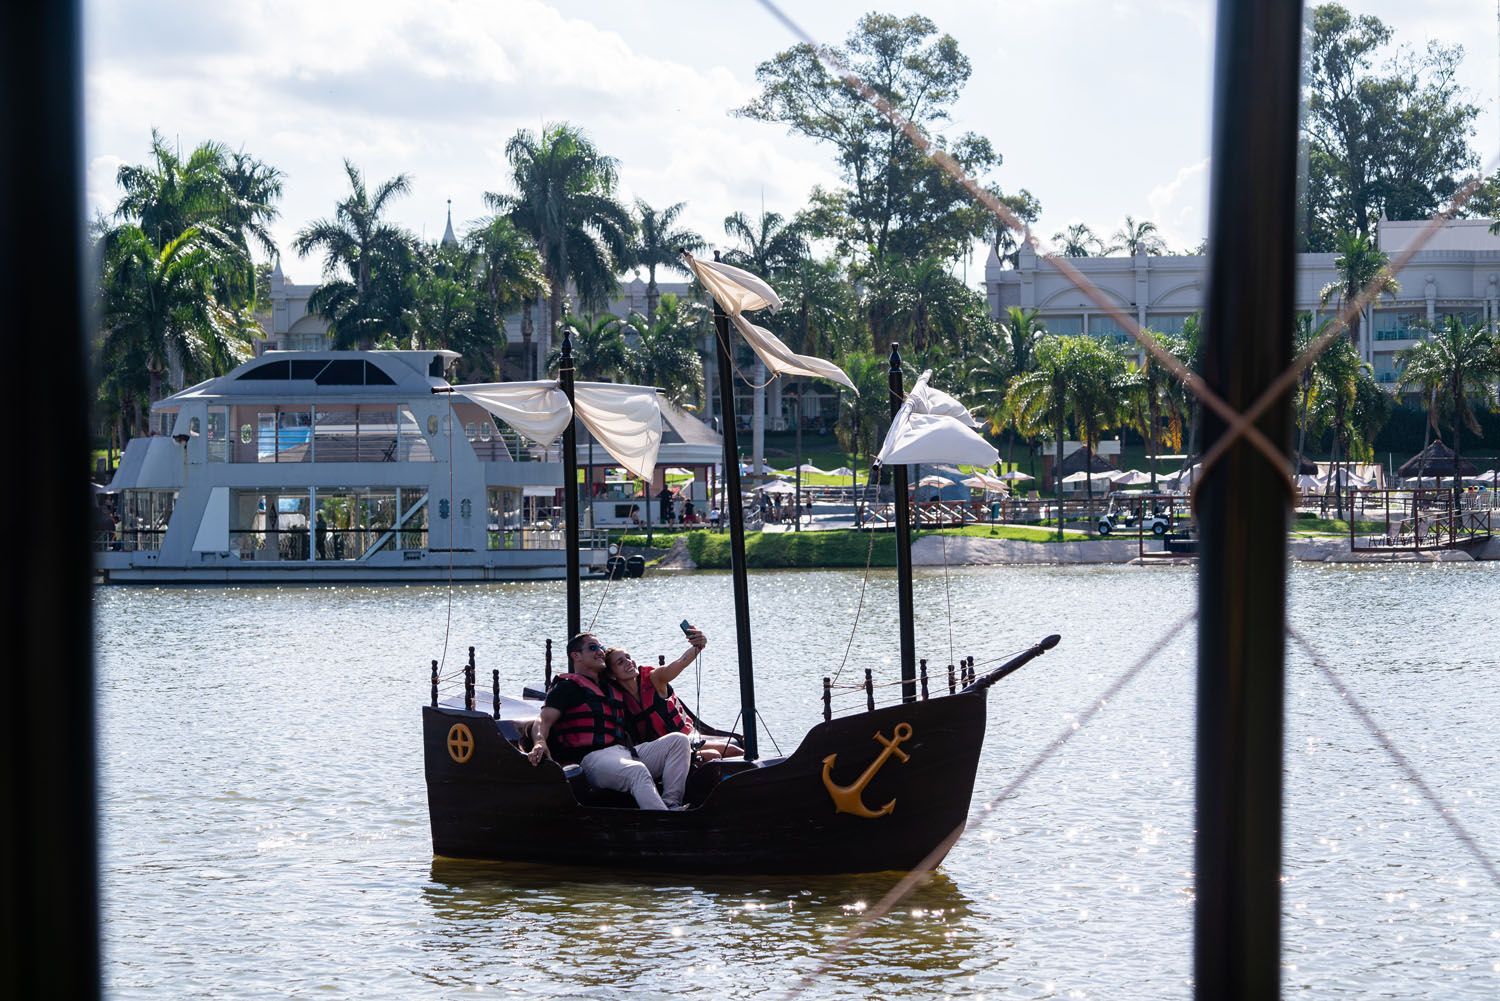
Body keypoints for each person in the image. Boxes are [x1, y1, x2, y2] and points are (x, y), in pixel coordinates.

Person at [528, 632, 691, 810]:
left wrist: (694, 648)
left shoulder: (611, 687)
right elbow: (543, 720)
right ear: (576, 656)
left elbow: (663, 674)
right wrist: (539, 743)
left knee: (679, 741)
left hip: (625, 752)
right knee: (637, 771)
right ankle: (663, 824)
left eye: (601, 648)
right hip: (592, 761)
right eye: (592, 647)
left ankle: (670, 805)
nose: (599, 652)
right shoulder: (567, 687)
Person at [603, 627, 744, 763]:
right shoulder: (616, 697)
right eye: (620, 662)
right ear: (612, 674)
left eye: (628, 657)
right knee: (714, 755)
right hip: (657, 750)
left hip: (685, 737)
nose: (628, 662)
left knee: (737, 751)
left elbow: (680, 663)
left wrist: (698, 646)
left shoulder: (654, 678)